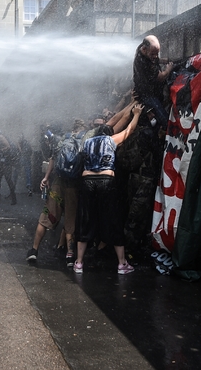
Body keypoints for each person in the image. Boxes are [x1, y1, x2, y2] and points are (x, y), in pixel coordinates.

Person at [73, 104, 144, 275]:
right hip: (106, 181)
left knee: (86, 219)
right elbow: (130, 130)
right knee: (113, 219)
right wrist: (136, 114)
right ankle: (122, 264)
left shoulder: (87, 142)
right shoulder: (110, 140)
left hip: (87, 181)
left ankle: (79, 263)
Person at [26, 119, 87, 266]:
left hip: (57, 183)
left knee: (47, 216)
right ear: (83, 128)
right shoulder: (85, 140)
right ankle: (70, 255)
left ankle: (34, 250)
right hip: (74, 185)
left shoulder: (62, 140)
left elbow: (52, 160)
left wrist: (46, 178)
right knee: (70, 219)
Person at [133, 35, 173, 128]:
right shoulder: (144, 62)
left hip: (151, 90)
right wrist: (168, 69)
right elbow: (161, 77)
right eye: (152, 54)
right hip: (147, 93)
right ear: (144, 49)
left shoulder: (143, 48)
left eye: (157, 53)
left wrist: (163, 60)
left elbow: (154, 59)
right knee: (163, 117)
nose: (155, 56)